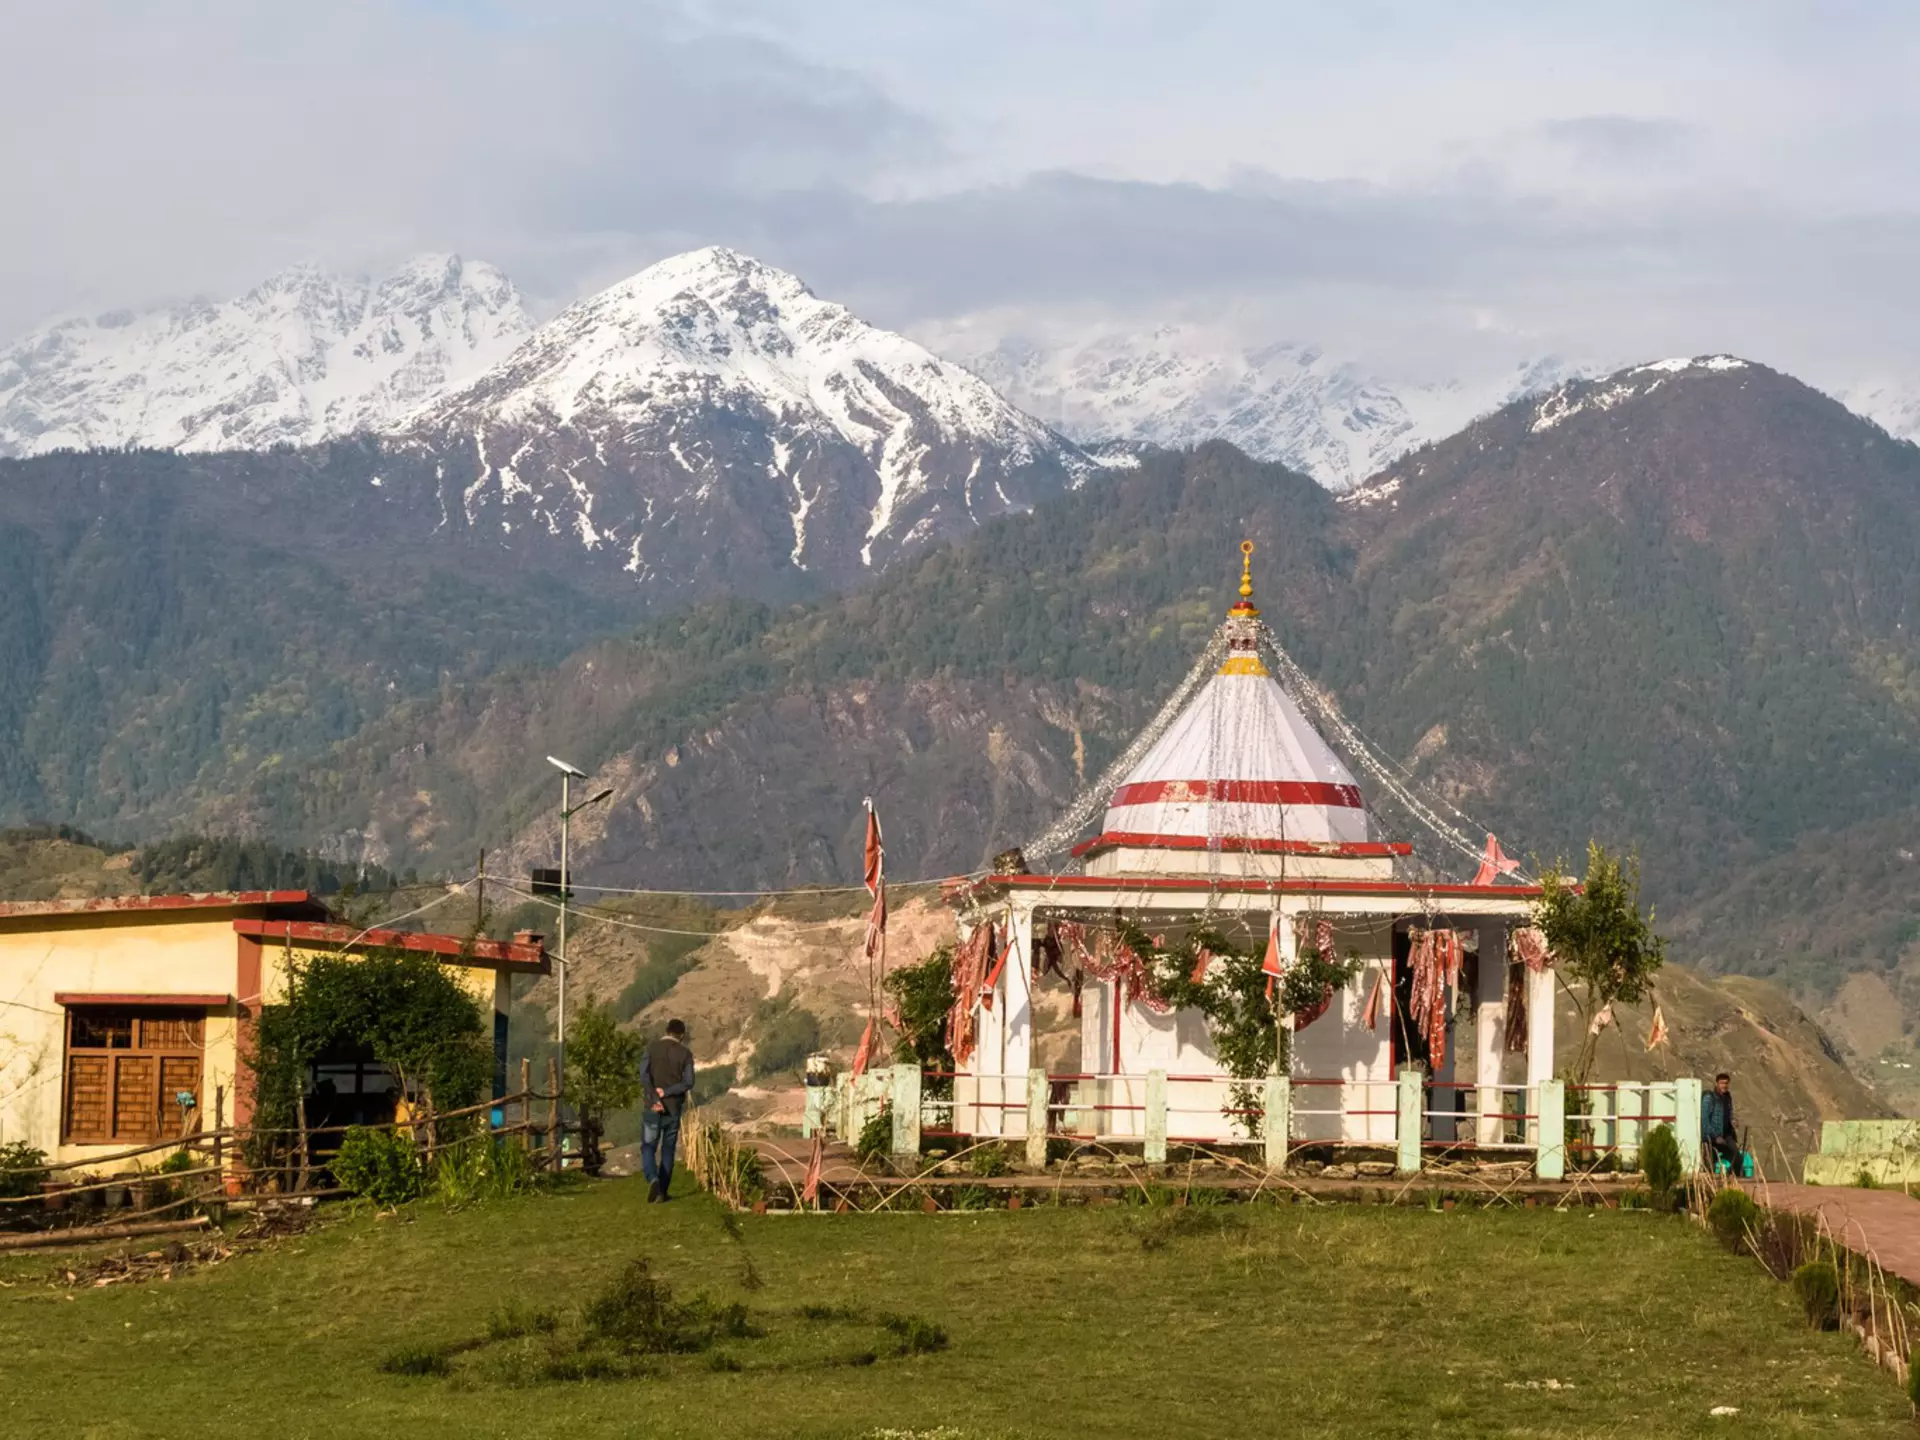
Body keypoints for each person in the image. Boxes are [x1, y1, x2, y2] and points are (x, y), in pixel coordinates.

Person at [639, 1019, 695, 1203]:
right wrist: (668, 1092)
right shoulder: (685, 1054)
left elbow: (644, 1075)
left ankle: (652, 1178)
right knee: (668, 1150)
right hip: (673, 1108)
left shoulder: (651, 1048)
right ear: (682, 1035)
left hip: (652, 1107)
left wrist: (654, 1096)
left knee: (648, 1146)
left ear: (666, 1031)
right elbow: (688, 1082)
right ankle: (662, 1192)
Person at [1701, 1071, 1739, 1173]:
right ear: (1716, 1083)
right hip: (1712, 1137)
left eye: (1726, 1083)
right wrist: (1714, 1136)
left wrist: (1733, 1121)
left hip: (1726, 1134)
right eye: (1722, 1083)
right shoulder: (1710, 1098)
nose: (1724, 1085)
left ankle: (1729, 1176)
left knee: (1735, 1152)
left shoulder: (1728, 1097)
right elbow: (1704, 1119)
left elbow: (1729, 1113)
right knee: (1710, 1161)